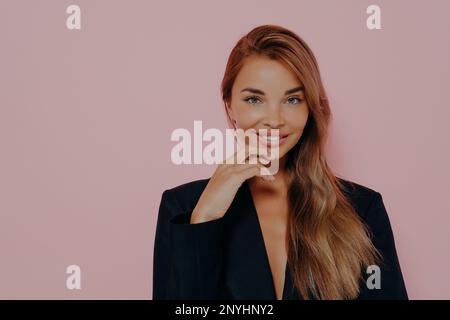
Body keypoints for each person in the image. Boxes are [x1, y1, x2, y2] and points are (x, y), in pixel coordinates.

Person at [153, 24, 408, 300]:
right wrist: (205, 218)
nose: (274, 120)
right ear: (229, 105)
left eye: (292, 99)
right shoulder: (183, 208)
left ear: (310, 107)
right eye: (254, 99)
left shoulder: (363, 208)